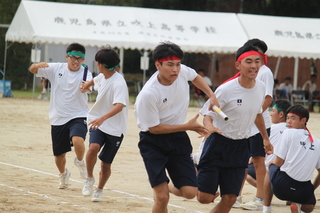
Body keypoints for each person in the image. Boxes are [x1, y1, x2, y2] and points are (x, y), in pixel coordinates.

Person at [134, 41, 219, 213]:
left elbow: (195, 77)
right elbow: (154, 129)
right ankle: (161, 191)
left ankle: (165, 186)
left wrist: (211, 95)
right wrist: (187, 126)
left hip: (177, 139)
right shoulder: (148, 94)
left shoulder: (181, 71)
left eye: (178, 64)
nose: (175, 69)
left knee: (190, 192)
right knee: (162, 198)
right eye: (169, 65)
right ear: (158, 65)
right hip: (153, 142)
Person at [196, 44, 273, 213]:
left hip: (240, 147)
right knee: (204, 198)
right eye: (248, 62)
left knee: (230, 198)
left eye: (257, 61)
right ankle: (195, 165)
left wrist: (265, 139)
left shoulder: (260, 87)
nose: (254, 65)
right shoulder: (226, 89)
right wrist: (209, 127)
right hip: (218, 144)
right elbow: (207, 114)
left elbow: (258, 113)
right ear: (238, 65)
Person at [29, 43, 92, 189]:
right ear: (67, 57)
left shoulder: (86, 72)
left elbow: (88, 86)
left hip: (79, 115)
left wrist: (86, 87)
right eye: (73, 58)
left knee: (78, 141)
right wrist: (36, 65)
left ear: (83, 60)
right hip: (58, 117)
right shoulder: (56, 68)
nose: (76, 61)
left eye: (80, 59)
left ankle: (80, 161)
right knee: (59, 156)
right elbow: (33, 70)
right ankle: (64, 174)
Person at [80, 46, 128, 202]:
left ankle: (99, 189)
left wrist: (102, 118)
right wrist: (86, 85)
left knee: (105, 164)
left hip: (115, 128)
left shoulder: (118, 82)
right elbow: (95, 80)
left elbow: (120, 106)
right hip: (97, 121)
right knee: (93, 147)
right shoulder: (102, 76)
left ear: (100, 64)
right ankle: (89, 178)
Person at [238, 39, 274, 210]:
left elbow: (268, 98)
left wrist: (254, 113)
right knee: (241, 160)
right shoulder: (247, 71)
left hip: (259, 124)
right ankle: (236, 196)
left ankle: (260, 199)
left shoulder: (265, 72)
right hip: (244, 123)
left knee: (259, 161)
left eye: (255, 55)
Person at [267, 105, 320, 213]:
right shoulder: (317, 142)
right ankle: (298, 205)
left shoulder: (288, 132)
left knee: (270, 165)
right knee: (309, 207)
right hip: (303, 189)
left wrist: (272, 163)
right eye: (288, 118)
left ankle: (265, 207)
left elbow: (278, 162)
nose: (288, 121)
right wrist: (311, 190)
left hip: (282, 187)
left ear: (303, 120)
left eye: (293, 118)